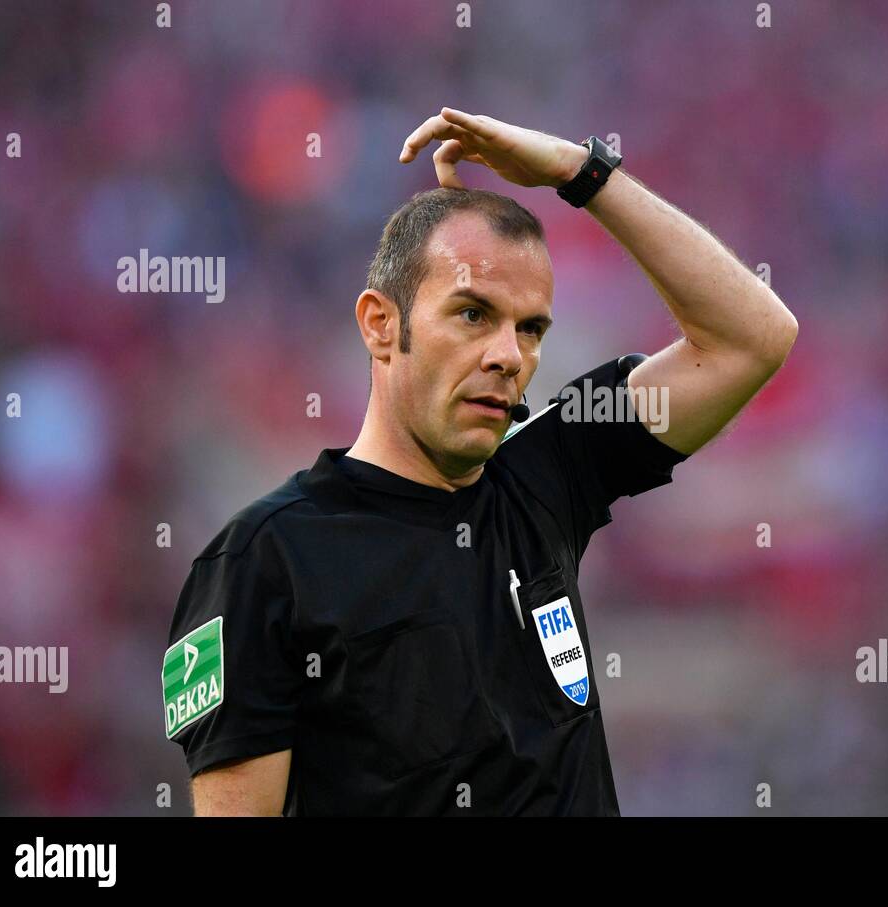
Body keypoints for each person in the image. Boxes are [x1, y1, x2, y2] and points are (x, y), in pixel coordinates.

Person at [162, 107, 798, 815]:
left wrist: (579, 172)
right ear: (381, 323)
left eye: (530, 328)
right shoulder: (262, 560)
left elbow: (752, 337)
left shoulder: (549, 474)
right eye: (472, 314)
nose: (508, 354)